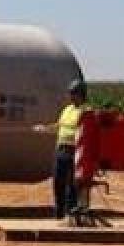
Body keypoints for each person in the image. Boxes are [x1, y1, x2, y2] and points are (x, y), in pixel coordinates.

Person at [35, 79, 88, 221]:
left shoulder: (85, 112)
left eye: (74, 93)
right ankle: (59, 214)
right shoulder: (67, 109)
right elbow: (59, 125)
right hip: (61, 150)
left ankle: (70, 214)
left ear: (81, 95)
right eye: (70, 93)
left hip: (74, 151)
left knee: (72, 185)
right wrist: (45, 128)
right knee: (58, 182)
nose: (71, 96)